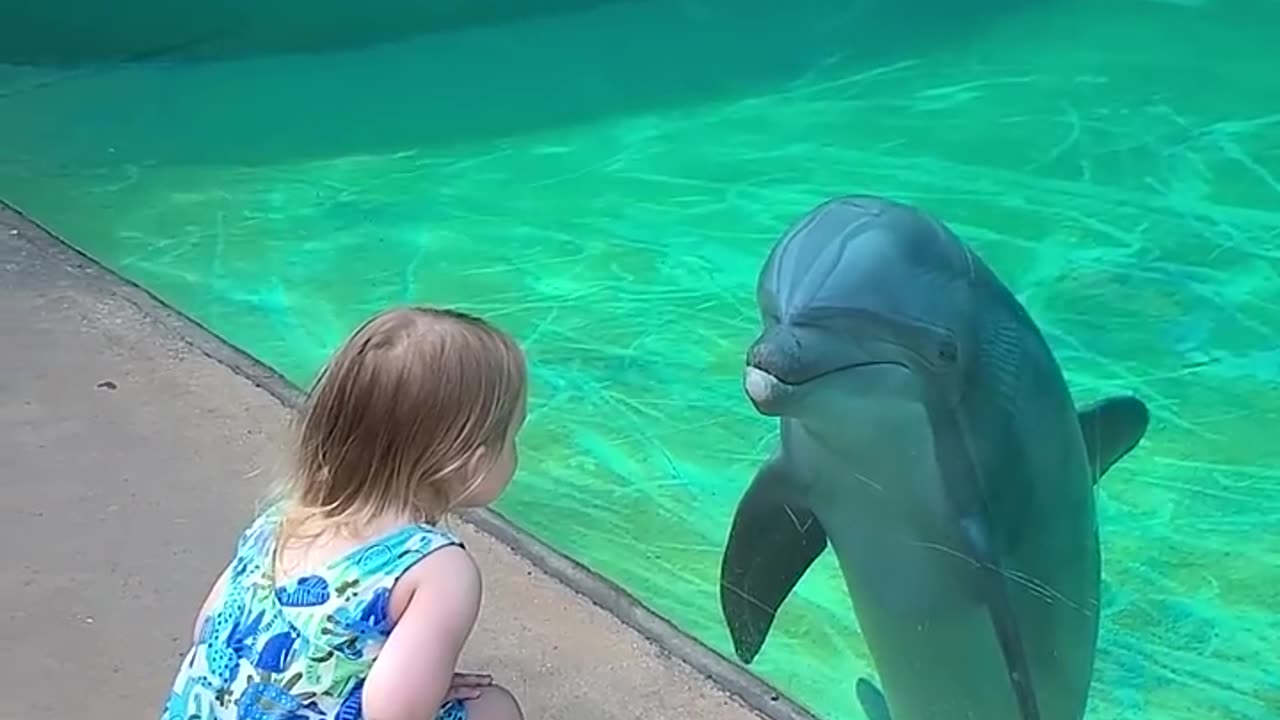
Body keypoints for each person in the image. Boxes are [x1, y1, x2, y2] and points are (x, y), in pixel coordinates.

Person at [162, 306, 529, 720]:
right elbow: (394, 714)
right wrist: (424, 692)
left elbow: (208, 631)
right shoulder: (439, 570)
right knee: (493, 709)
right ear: (471, 463)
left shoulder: (284, 520)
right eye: (512, 437)